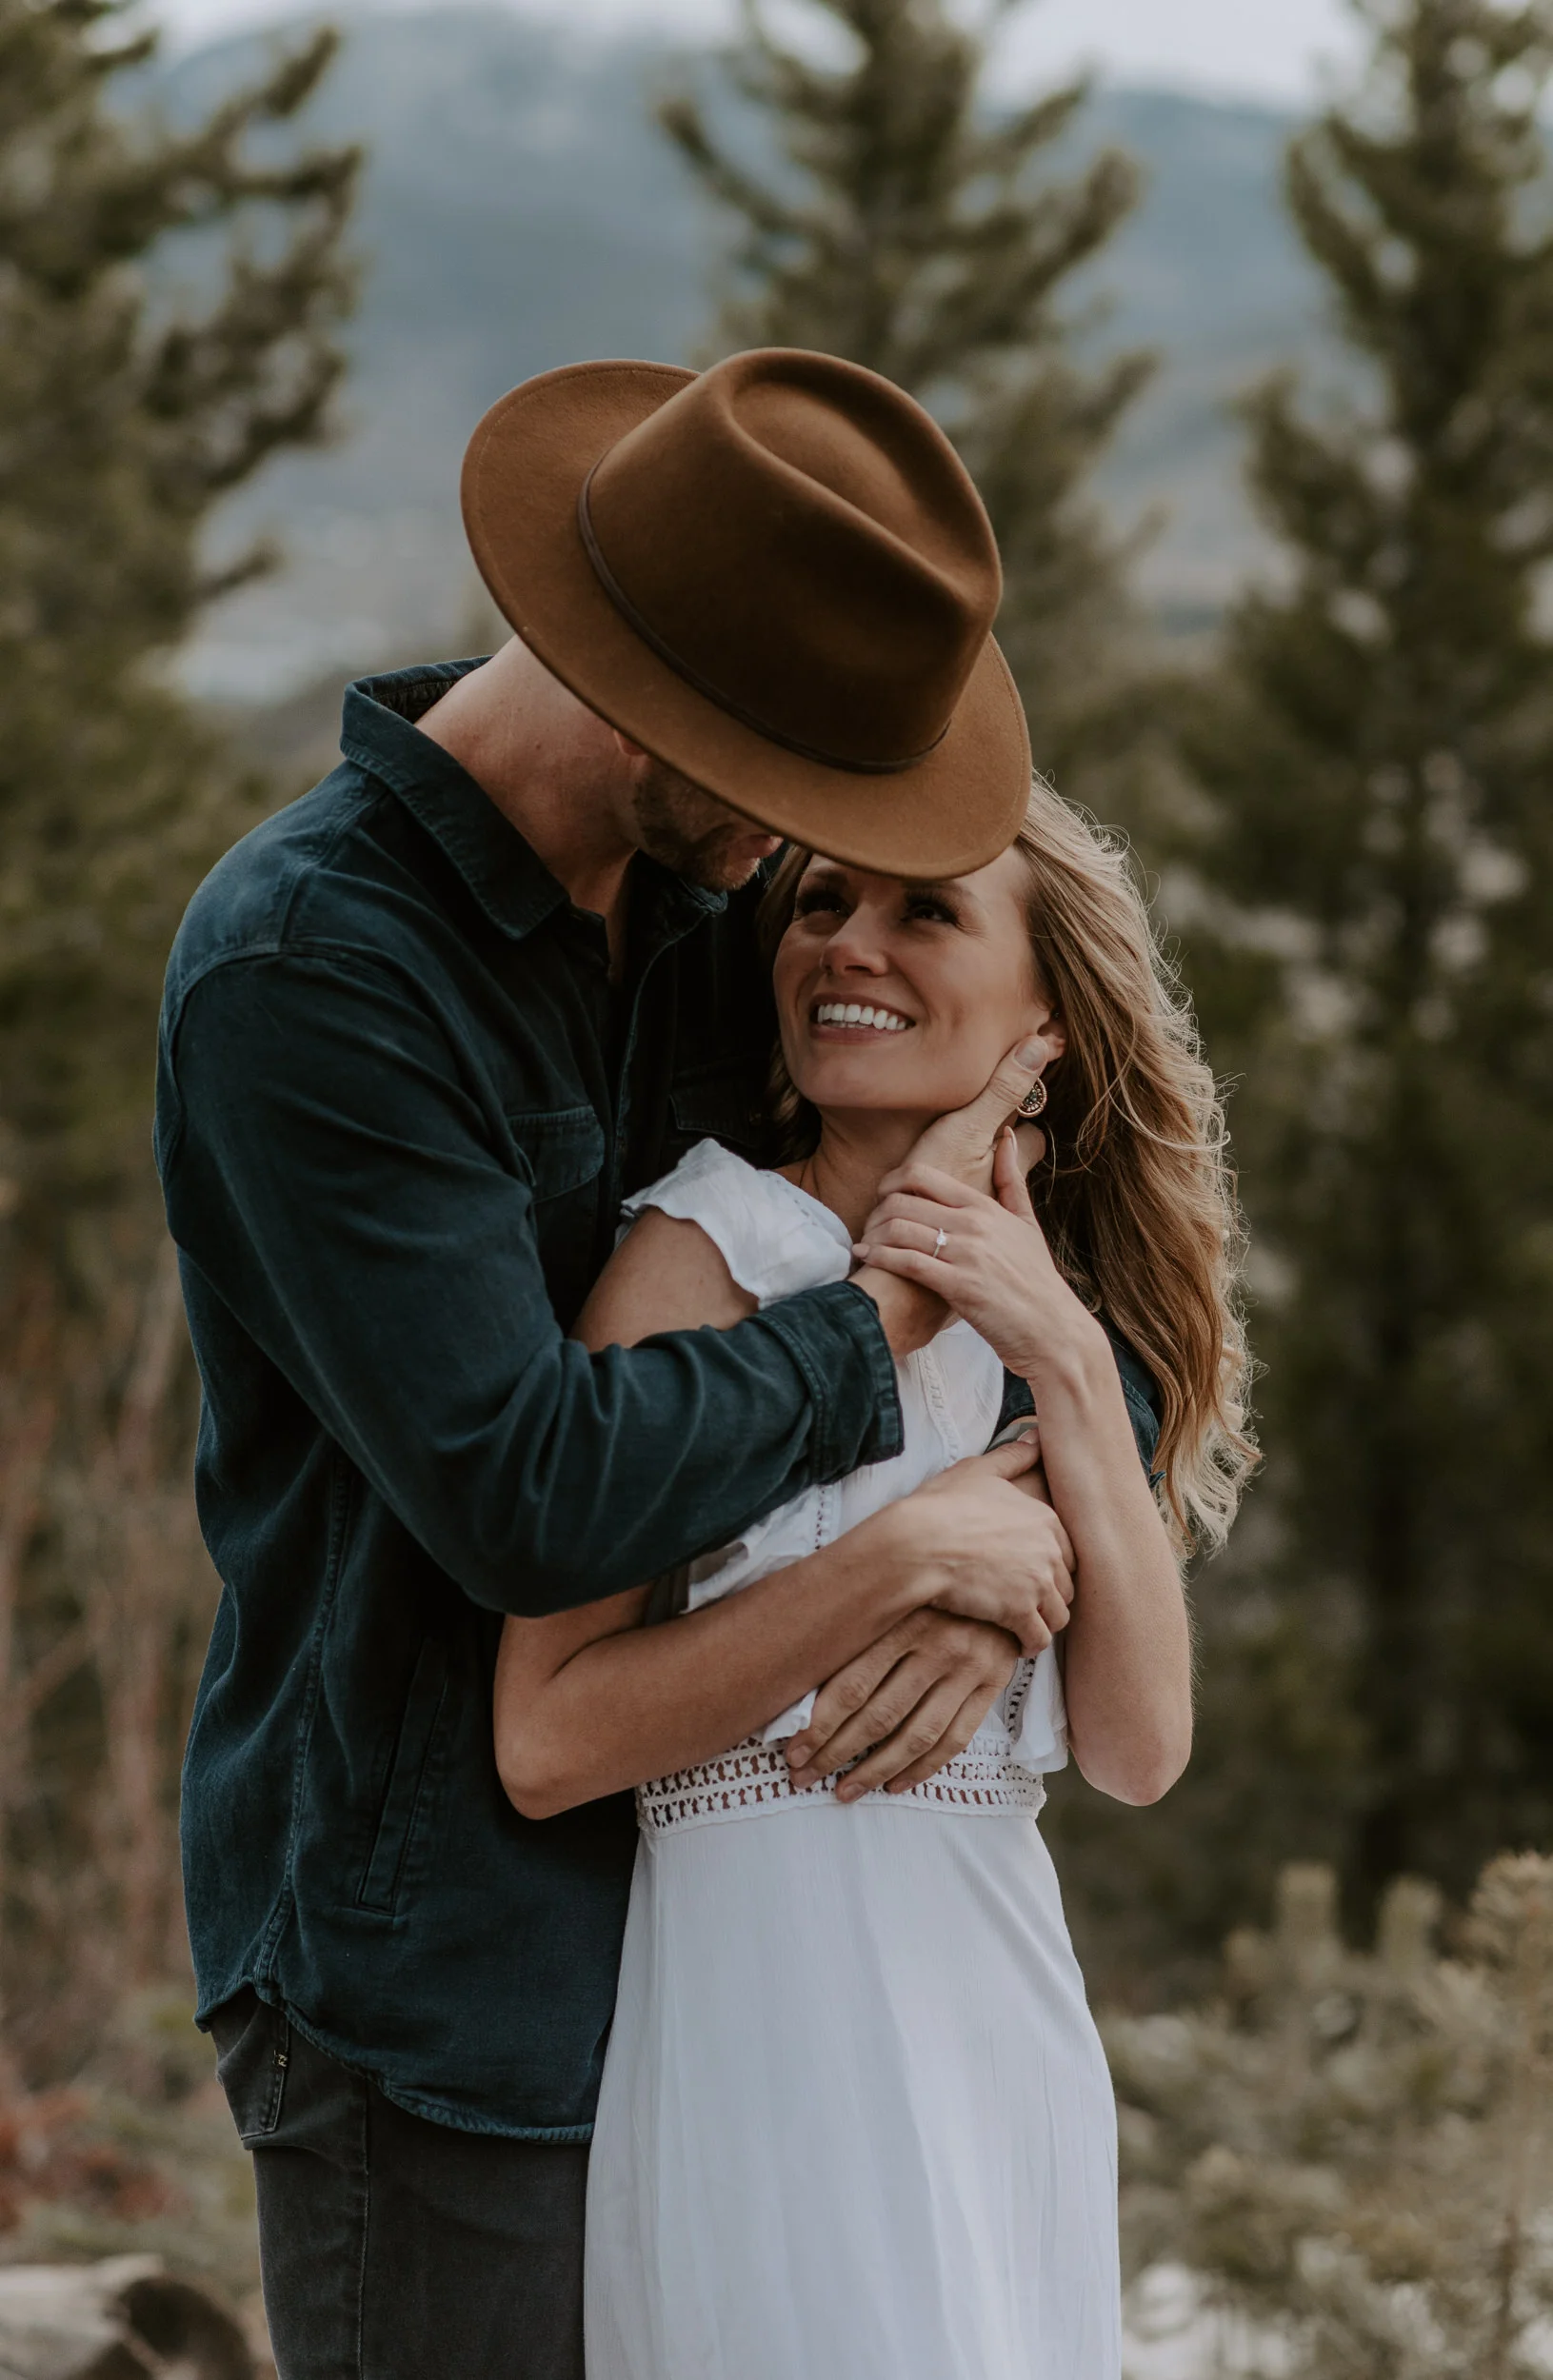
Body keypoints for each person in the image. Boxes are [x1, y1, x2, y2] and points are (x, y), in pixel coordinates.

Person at [156, 346, 1109, 2380]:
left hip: (753, 1979)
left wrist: (1010, 1516)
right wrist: (887, 1341)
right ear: (646, 691)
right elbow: (526, 1482)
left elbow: (1053, 1234)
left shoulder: (706, 920)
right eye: (795, 791)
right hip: (441, 1988)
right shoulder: (314, 974)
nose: (813, 858)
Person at [494, 782, 1255, 2377]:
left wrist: (1046, 1336)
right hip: (765, 2051)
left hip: (998, 2041)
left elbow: (1135, 1750)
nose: (849, 943)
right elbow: (547, 1740)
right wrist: (903, 1561)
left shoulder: (1059, 1353)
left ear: (1049, 1008)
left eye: (926, 910)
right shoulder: (698, 1257)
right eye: (823, 901)